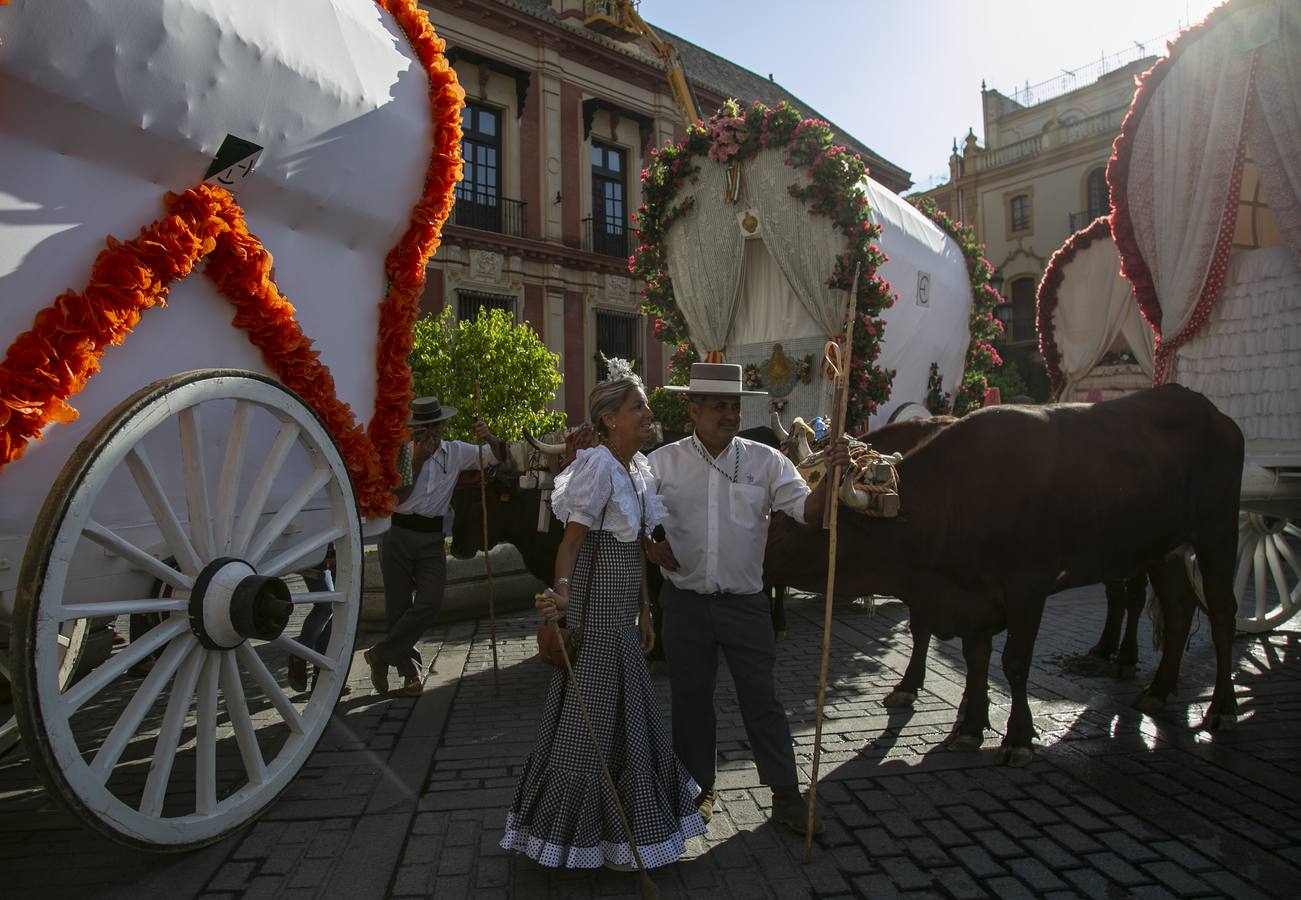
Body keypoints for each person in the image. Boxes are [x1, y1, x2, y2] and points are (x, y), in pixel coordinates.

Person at [501, 365, 706, 871]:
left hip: (623, 621)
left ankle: (623, 839)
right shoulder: (598, 468)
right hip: (592, 627)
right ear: (610, 420)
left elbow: (636, 546)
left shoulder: (637, 472)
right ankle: (575, 839)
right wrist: (564, 596)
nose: (648, 414)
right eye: (638, 408)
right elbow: (569, 545)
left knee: (632, 727)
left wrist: (645, 610)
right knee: (585, 733)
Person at [646, 362, 848, 835]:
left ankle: (785, 798)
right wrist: (647, 544)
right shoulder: (661, 463)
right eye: (719, 405)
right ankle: (697, 791)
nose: (730, 414)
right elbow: (628, 512)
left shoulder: (766, 460)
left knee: (763, 701)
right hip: (685, 605)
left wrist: (831, 476)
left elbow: (809, 513)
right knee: (690, 701)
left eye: (734, 405)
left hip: (746, 605)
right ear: (692, 409)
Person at [364, 396, 504, 696]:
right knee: (398, 609)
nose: (431, 434)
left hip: (431, 538)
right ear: (415, 429)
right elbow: (396, 498)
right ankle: (410, 674)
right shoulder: (401, 453)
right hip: (397, 533)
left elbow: (494, 456)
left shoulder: (455, 452)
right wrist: (416, 460)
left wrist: (490, 437)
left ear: (441, 425)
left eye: (435, 427)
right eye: (424, 428)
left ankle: (381, 654)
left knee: (430, 602)